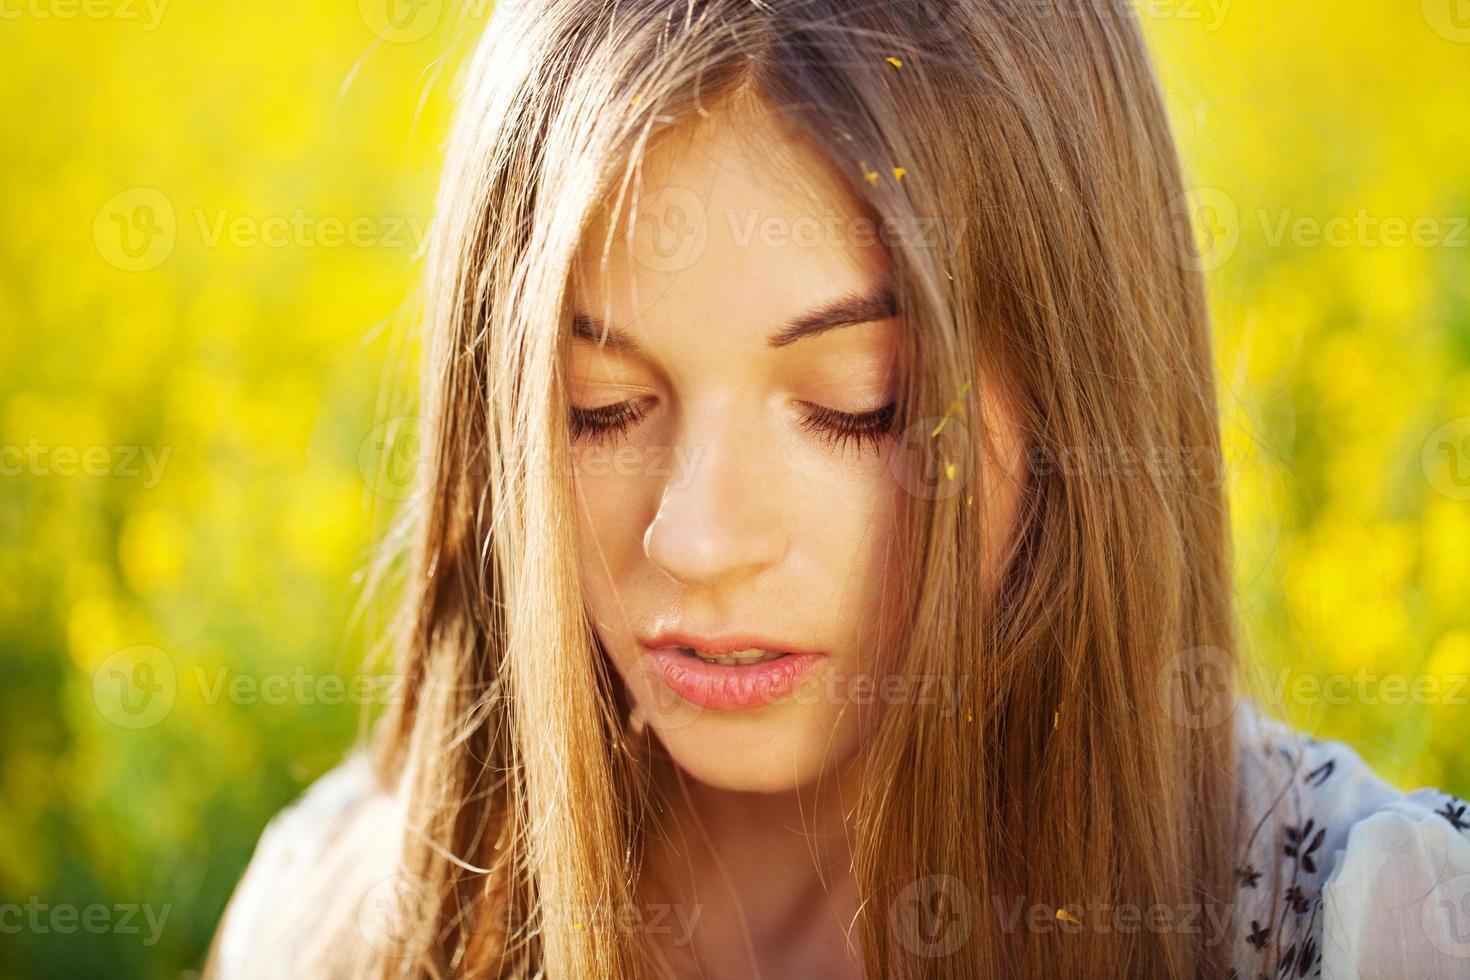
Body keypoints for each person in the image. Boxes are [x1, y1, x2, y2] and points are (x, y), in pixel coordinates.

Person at [204, 1, 1470, 976]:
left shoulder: (1374, 929)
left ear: (1080, 397)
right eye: (603, 406)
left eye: (856, 405)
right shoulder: (337, 917)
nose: (696, 538)